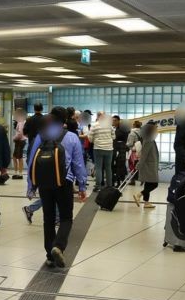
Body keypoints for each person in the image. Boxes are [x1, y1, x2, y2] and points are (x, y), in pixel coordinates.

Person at [27, 106, 87, 267]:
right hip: (64, 182)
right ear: (65, 120)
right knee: (66, 217)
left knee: (48, 218)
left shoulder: (42, 135)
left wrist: (31, 186)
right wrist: (82, 186)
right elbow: (78, 164)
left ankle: (49, 255)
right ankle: (58, 246)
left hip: (44, 182)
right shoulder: (72, 137)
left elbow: (32, 160)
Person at [132, 122, 159, 209]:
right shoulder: (148, 140)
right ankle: (139, 195)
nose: (156, 130)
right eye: (155, 128)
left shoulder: (149, 139)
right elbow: (144, 155)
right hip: (149, 166)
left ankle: (146, 202)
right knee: (154, 184)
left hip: (150, 165)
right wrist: (139, 165)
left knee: (148, 184)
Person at [88, 111, 114, 188]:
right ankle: (109, 185)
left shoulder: (94, 125)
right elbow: (114, 136)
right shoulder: (109, 125)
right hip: (109, 149)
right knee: (108, 168)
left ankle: (98, 186)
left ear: (97, 116)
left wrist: (94, 140)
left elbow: (90, 138)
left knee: (98, 167)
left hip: (98, 148)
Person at [112, 115, 130, 186]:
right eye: (112, 120)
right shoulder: (116, 128)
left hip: (120, 148)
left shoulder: (122, 128)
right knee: (118, 165)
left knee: (120, 165)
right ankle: (120, 181)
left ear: (119, 121)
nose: (113, 122)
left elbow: (118, 137)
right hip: (117, 147)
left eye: (115, 120)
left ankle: (120, 181)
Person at [12, 108, 27, 179]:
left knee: (18, 157)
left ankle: (19, 173)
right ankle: (17, 172)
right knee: (16, 157)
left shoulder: (21, 122)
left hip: (20, 141)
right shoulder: (22, 121)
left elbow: (20, 133)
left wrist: (14, 138)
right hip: (21, 141)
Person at [126, 120, 143, 185]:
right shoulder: (143, 132)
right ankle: (142, 179)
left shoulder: (132, 133)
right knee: (139, 165)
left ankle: (132, 180)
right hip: (141, 151)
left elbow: (130, 144)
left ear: (133, 125)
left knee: (132, 166)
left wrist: (126, 144)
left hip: (134, 152)